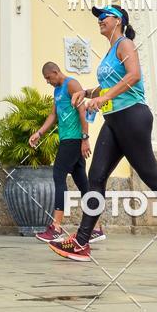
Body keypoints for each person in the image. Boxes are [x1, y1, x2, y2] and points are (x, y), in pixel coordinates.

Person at [50, 6, 157, 264]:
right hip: (113, 121)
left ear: (117, 20)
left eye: (103, 16)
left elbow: (134, 75)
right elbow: (108, 85)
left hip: (133, 117)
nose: (99, 20)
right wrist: (87, 93)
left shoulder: (125, 44)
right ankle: (81, 242)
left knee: (152, 178)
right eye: (98, 17)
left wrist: (104, 97)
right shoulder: (111, 51)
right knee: (96, 177)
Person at [29, 62, 104, 244]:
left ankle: (56, 228)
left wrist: (85, 138)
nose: (48, 82)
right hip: (67, 139)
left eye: (48, 78)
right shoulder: (57, 90)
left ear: (55, 72)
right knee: (83, 184)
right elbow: (53, 115)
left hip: (73, 139)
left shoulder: (72, 84)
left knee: (58, 175)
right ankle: (96, 228)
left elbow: (82, 111)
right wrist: (39, 133)